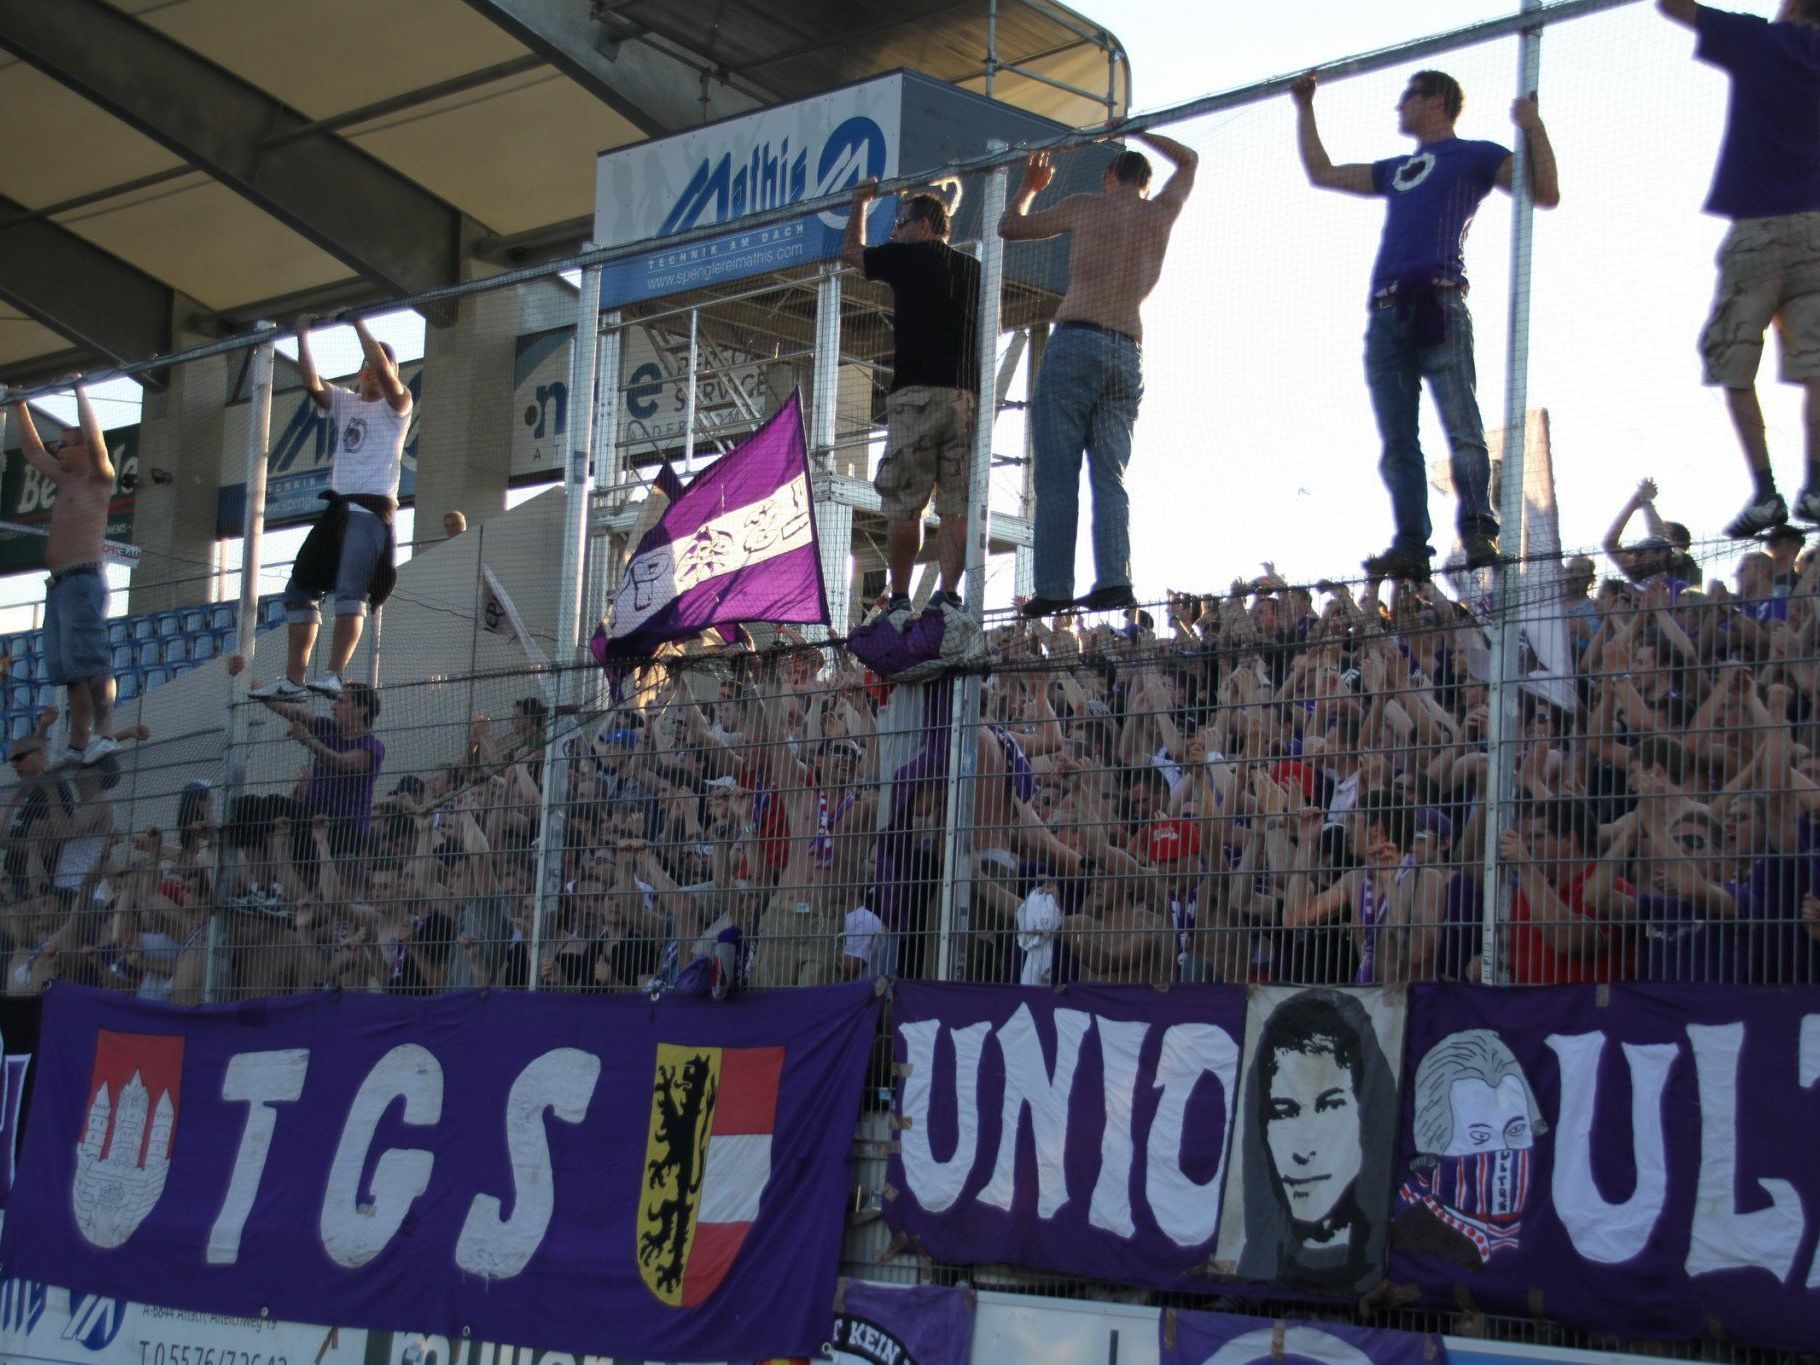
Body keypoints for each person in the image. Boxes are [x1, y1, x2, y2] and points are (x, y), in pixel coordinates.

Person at [1291, 69, 1559, 582]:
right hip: (1387, 311)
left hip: (1438, 300)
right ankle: (1412, 543)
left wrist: (1532, 125)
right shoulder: (1398, 168)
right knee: (1398, 439)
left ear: (1435, 100)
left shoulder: (1476, 154)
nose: (1399, 108)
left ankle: (1479, 528)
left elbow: (1544, 192)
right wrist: (1305, 107)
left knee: (1461, 425)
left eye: (1407, 98)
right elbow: (1323, 172)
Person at [999, 130, 1199, 617]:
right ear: (1147, 184)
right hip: (1128, 347)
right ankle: (1115, 580)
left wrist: (1031, 184)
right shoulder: (1159, 214)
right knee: (1111, 475)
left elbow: (1010, 227)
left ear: (1111, 178)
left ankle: (1053, 589)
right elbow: (1189, 159)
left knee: (1058, 476)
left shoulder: (1088, 205)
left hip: (1077, 338)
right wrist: (1140, 127)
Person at [1656, 0, 1820, 537]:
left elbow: (1672, 5)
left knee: (1733, 358)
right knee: (1816, 362)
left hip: (1759, 229)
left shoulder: (1759, 40)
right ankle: (1816, 484)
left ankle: (1765, 492)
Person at [251, 314, 411, 702]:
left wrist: (358, 325)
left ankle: (334, 673)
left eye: (380, 365)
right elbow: (311, 382)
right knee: (300, 586)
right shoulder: (345, 401)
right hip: (338, 511)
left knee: (350, 591)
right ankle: (294, 679)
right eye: (367, 367)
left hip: (370, 510)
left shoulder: (398, 404)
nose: (372, 371)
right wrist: (303, 336)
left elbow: (389, 379)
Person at [841, 176, 975, 613]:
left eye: (899, 223)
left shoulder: (907, 257)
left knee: (904, 503)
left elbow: (853, 255)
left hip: (916, 393)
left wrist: (861, 204)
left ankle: (899, 596)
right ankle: (950, 595)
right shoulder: (971, 269)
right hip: (963, 397)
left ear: (921, 225)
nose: (894, 232)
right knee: (957, 504)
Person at [1231, 988, 1399, 1294]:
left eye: (1330, 1106)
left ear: (1369, 1113)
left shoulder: (1407, 1250)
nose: (1303, 1150)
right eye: (1283, 1111)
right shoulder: (1255, 1268)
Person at [8, 385, 123, 765]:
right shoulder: (65, 480)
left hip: (83, 580)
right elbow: (32, 452)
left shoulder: (98, 476)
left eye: (66, 444)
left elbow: (96, 439)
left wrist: (79, 391)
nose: (59, 449)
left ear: (84, 449)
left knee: (92, 663)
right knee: (71, 673)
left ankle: (105, 734)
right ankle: (78, 745)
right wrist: (20, 404)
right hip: (59, 586)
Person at [253, 681, 384, 855]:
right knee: (252, 807)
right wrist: (250, 682)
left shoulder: (372, 747)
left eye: (341, 702)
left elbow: (340, 762)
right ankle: (260, 881)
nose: (334, 707)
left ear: (362, 710)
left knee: (302, 834)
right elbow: (294, 712)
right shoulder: (328, 728)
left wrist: (309, 740)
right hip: (311, 815)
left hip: (344, 826)